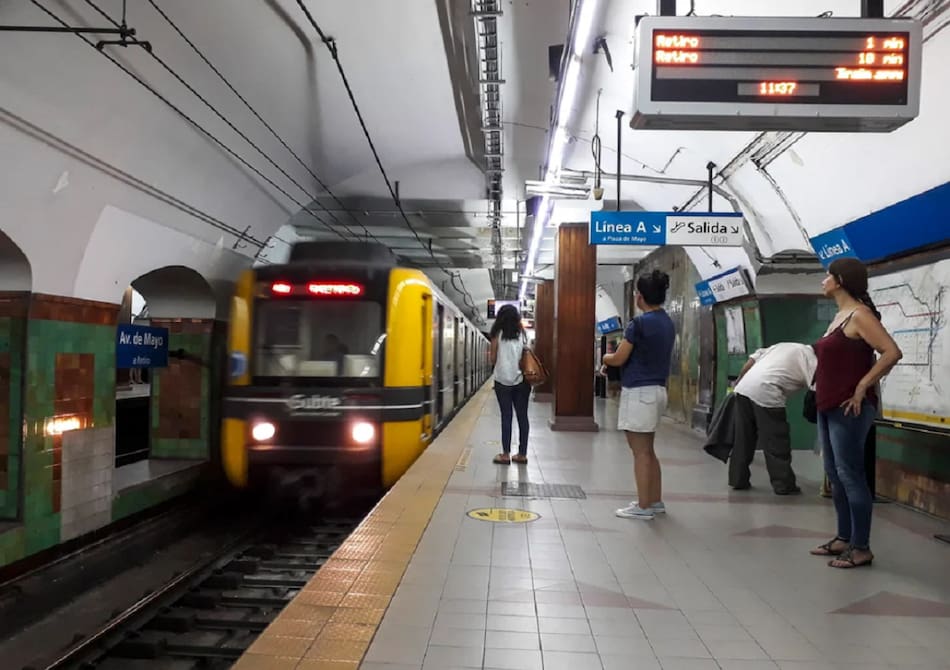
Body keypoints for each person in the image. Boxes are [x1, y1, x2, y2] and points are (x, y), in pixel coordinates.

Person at [809, 258, 901, 569]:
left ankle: (861, 547)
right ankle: (844, 537)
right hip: (828, 403)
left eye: (827, 276)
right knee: (835, 474)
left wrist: (863, 386)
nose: (823, 281)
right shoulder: (840, 316)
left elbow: (891, 351)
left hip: (850, 406)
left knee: (850, 474)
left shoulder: (860, 315)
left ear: (839, 280)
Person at [602, 270, 676, 520]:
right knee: (649, 450)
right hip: (657, 390)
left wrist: (605, 358)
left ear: (640, 297)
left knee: (640, 452)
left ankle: (643, 507)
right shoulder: (667, 321)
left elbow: (619, 356)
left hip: (639, 392)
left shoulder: (640, 324)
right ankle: (654, 501)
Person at [729, 342, 818, 494]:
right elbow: (816, 389)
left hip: (743, 389)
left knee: (743, 438)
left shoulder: (781, 346)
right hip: (767, 391)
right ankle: (783, 484)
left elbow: (751, 361)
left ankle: (738, 479)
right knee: (776, 439)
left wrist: (739, 383)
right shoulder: (811, 358)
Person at [488, 305, 530, 465]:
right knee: (522, 417)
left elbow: (492, 359)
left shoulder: (496, 334)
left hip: (502, 382)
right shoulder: (522, 334)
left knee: (506, 416)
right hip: (520, 381)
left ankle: (505, 454)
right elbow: (526, 355)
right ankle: (522, 454)